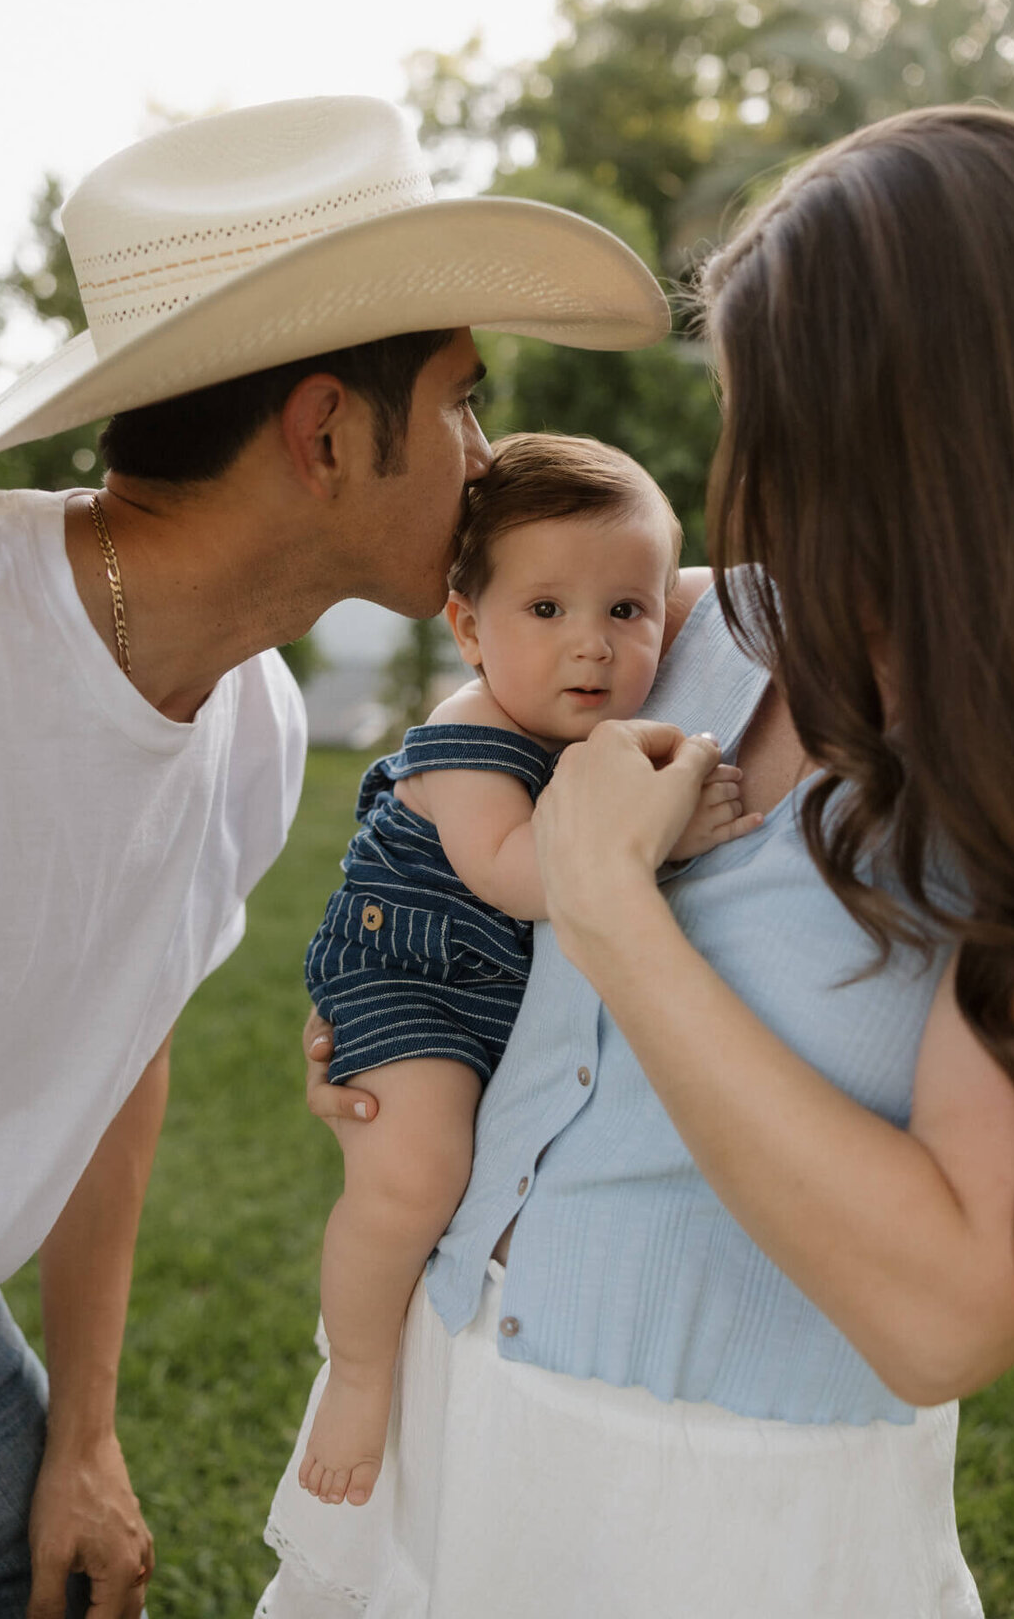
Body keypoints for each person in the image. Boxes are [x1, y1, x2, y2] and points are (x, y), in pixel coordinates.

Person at [263, 105, 1014, 1619]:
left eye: (780, 418)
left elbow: (954, 1309)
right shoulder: (690, 628)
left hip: (717, 1517)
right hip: (451, 1392)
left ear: (939, 435)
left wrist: (612, 916)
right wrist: (403, 1002)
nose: (749, 471)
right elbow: (454, 763)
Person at [0, 94, 668, 1619]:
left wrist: (88, 1430)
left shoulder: (251, 723)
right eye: (458, 402)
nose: (484, 451)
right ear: (326, 434)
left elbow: (117, 1051)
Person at [293, 432, 760, 1509]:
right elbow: (513, 873)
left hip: (487, 977)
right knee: (412, 1169)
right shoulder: (470, 732)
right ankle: (359, 1377)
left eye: (625, 612)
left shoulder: (587, 710)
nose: (590, 647)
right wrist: (664, 836)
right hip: (410, 972)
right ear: (467, 629)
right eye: (544, 612)